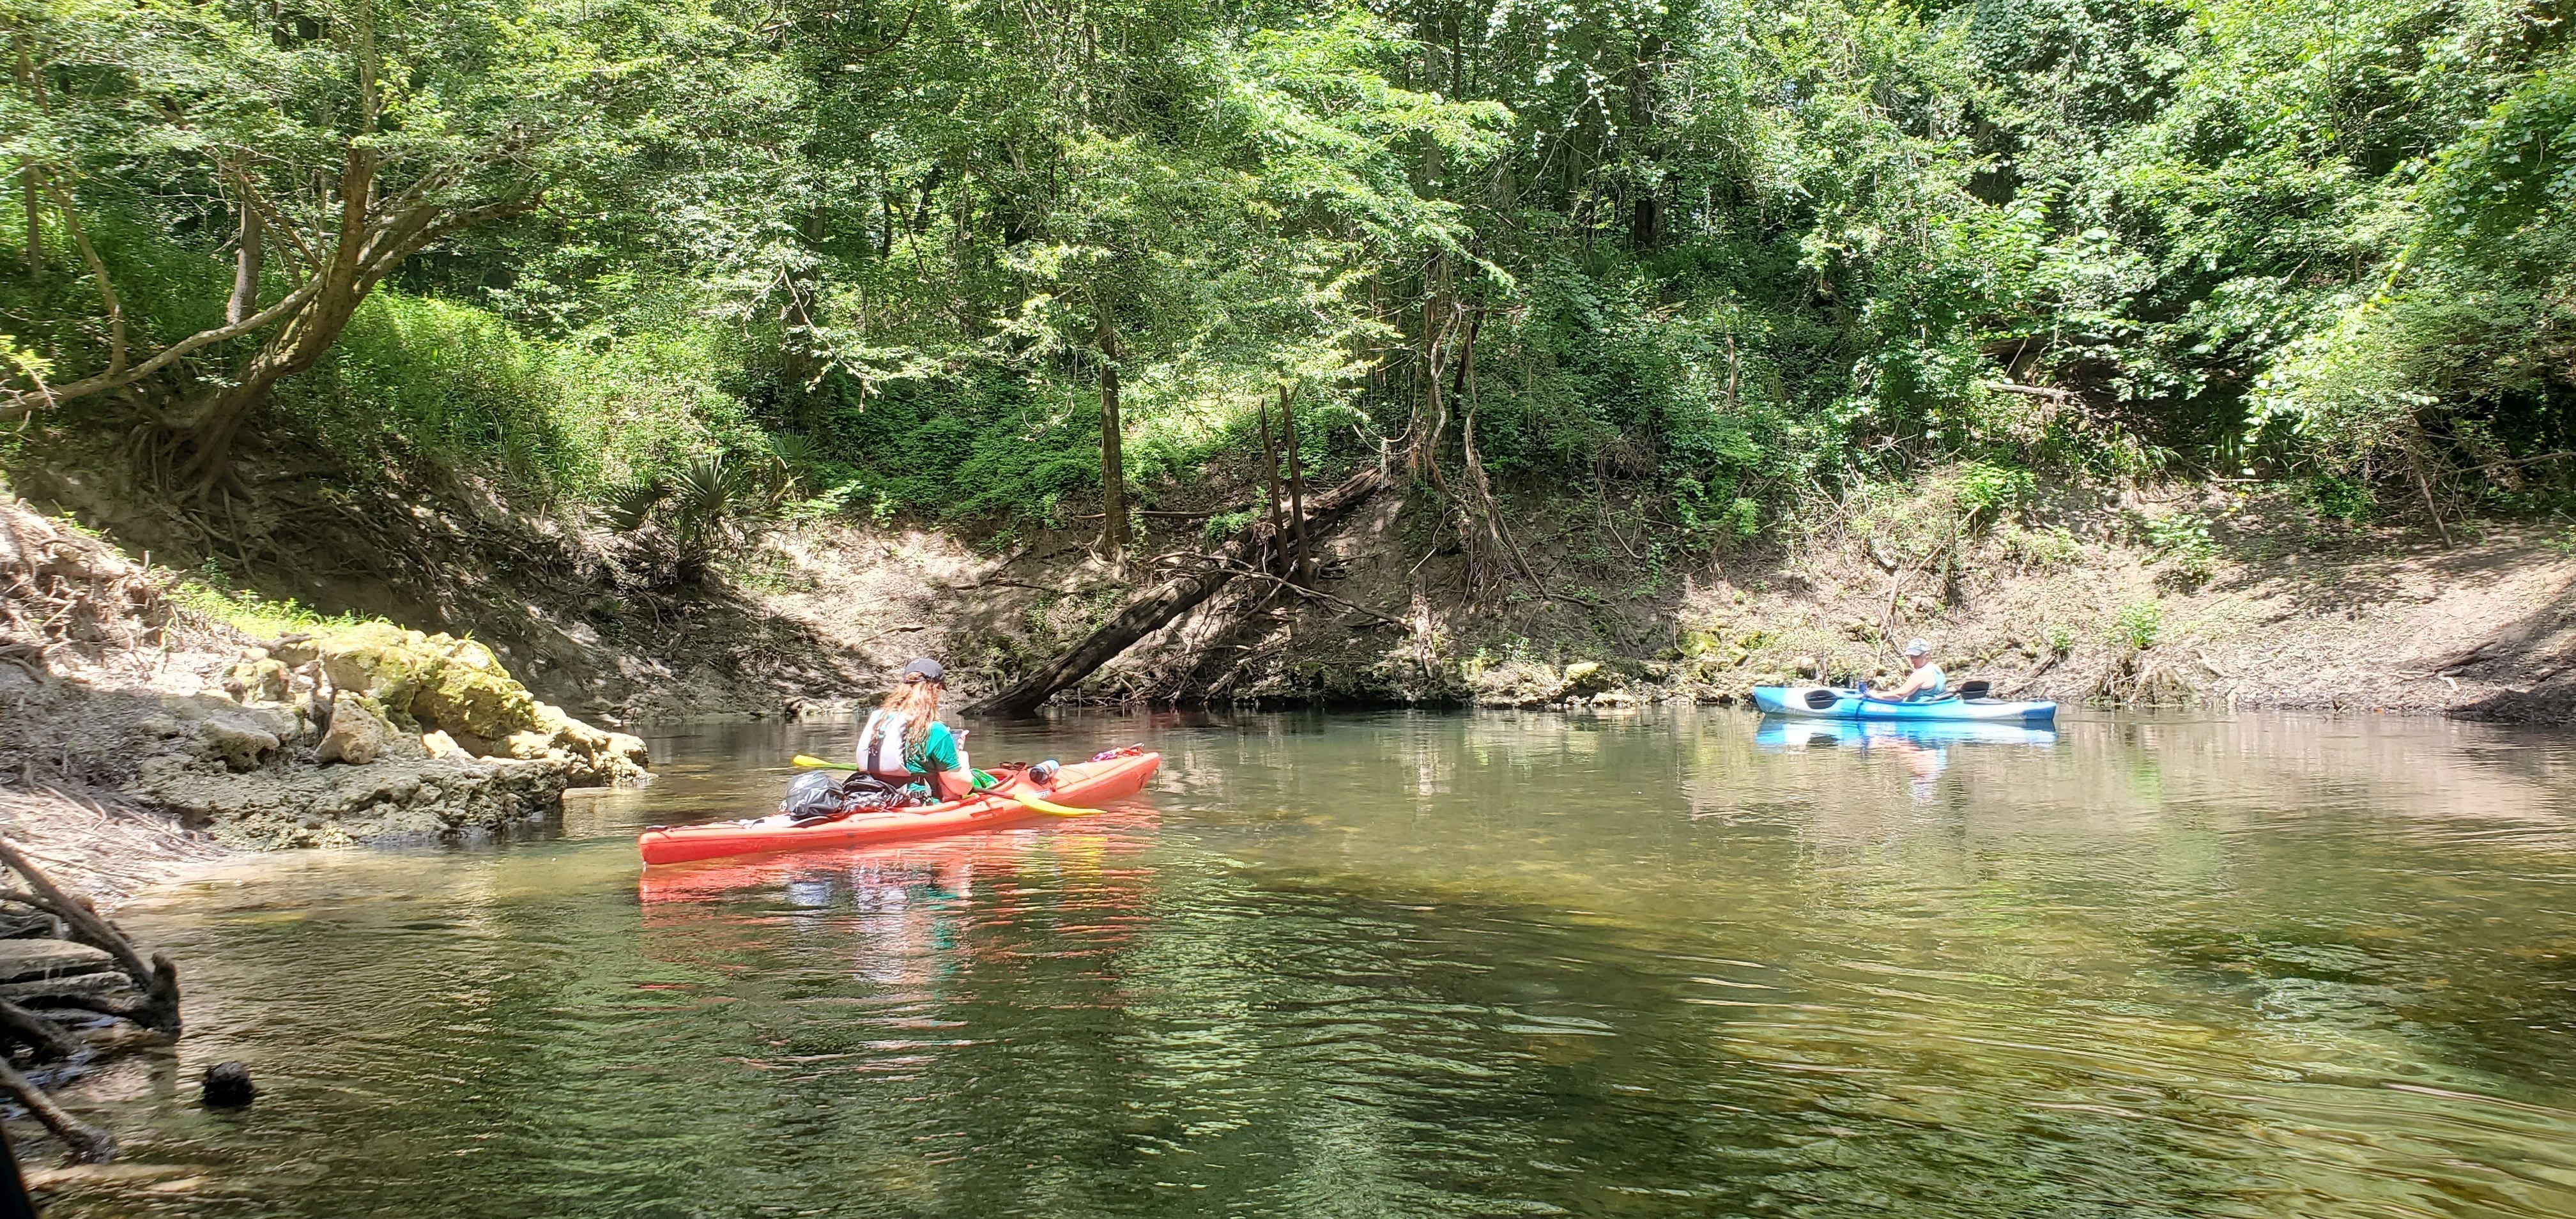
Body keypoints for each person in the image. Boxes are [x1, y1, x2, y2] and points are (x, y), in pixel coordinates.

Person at [857, 658, 977, 801]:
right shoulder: (936, 730)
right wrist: (961, 757)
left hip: (872, 798)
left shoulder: (878, 721)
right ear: (936, 689)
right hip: (916, 805)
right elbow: (961, 787)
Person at [1866, 638, 1947, 702]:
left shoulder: (1922, 674)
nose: (1912, 659)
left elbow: (1900, 695)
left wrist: (1875, 695)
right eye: (1911, 656)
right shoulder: (1937, 669)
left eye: (1916, 656)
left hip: (1917, 714)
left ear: (1927, 655)